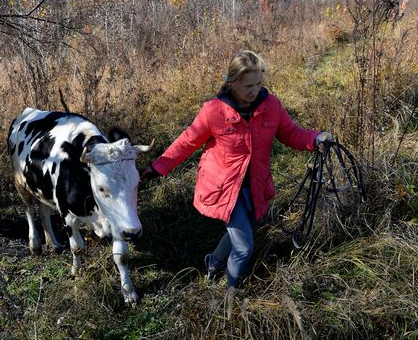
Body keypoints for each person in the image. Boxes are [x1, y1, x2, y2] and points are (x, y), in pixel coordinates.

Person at [140, 50, 332, 292]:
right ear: (233, 83)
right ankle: (230, 293)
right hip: (224, 188)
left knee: (237, 235)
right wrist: (158, 167)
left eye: (258, 83)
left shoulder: (271, 106)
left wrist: (316, 138)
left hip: (255, 186)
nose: (254, 90)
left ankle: (213, 262)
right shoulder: (214, 111)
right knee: (243, 247)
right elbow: (187, 141)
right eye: (248, 86)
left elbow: (291, 133)